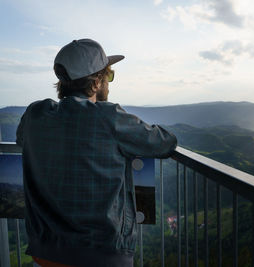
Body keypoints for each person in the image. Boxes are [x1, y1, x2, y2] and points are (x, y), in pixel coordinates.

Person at [16, 39, 177, 267]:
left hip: (43, 255)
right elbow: (165, 143)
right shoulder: (108, 117)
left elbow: (21, 139)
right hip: (103, 256)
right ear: (96, 82)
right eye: (108, 77)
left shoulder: (35, 114)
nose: (109, 84)